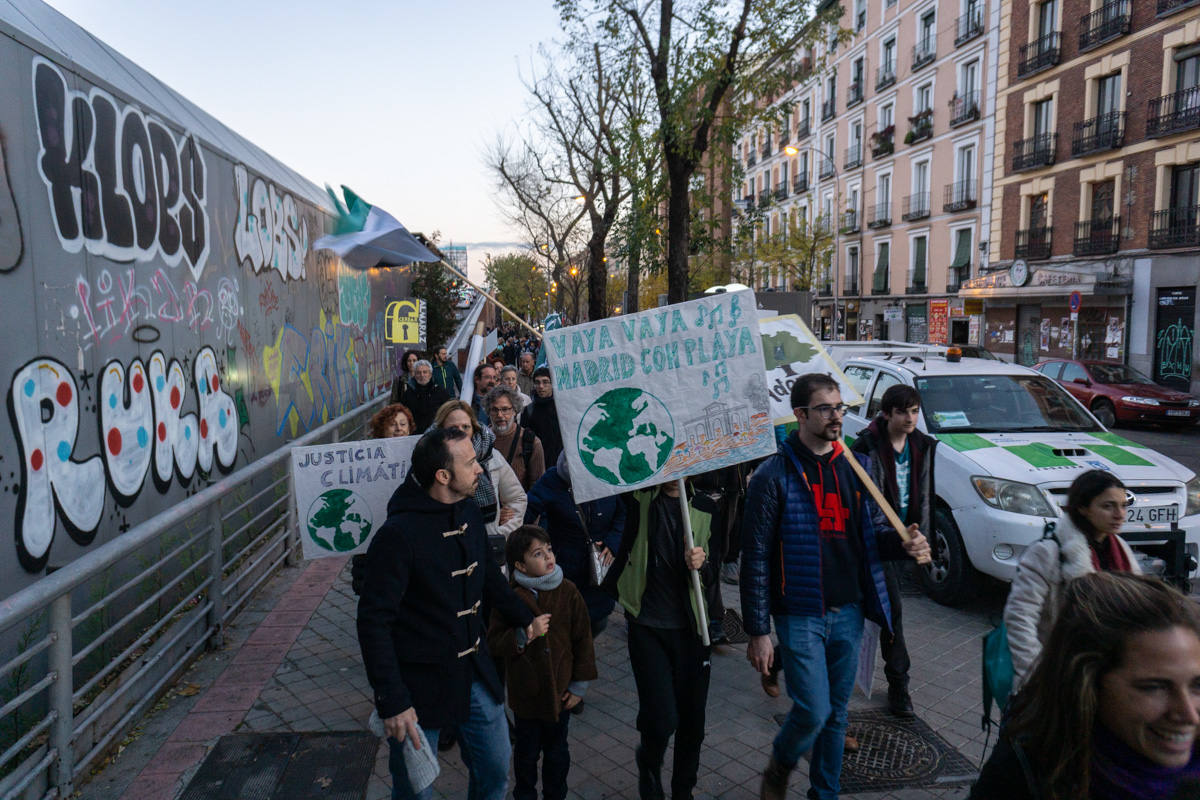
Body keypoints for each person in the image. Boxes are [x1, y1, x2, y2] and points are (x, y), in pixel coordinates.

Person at [741, 373, 930, 800]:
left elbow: (875, 533)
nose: (837, 416)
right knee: (813, 709)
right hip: (799, 611)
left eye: (840, 407)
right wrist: (758, 630)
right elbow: (755, 556)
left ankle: (824, 793)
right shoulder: (773, 475)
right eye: (825, 408)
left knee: (837, 716)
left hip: (849, 609)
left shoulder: (857, 467)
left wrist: (904, 543)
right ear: (800, 414)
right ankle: (781, 762)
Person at [356, 427, 536, 800]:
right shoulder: (397, 535)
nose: (480, 469)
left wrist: (522, 615)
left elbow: (488, 575)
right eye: (470, 463)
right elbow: (373, 622)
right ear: (442, 476)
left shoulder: (468, 510)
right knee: (415, 790)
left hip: (475, 671)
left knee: (495, 770)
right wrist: (392, 699)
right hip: (419, 686)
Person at [972, 571, 1200, 800]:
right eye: (1154, 687)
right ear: (1088, 685)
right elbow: (1020, 614)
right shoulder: (1022, 775)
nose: (1190, 715)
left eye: (1197, 685)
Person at [601, 481, 717, 800]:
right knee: (661, 717)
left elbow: (714, 575)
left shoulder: (706, 506)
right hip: (647, 626)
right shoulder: (638, 499)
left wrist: (702, 564)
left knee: (692, 722)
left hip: (693, 630)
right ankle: (649, 763)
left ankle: (683, 791)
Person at [487, 526, 597, 800]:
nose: (548, 556)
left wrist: (579, 686)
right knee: (526, 754)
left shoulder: (568, 590)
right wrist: (525, 634)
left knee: (557, 753)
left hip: (561, 693)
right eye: (538, 553)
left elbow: (583, 639)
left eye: (549, 549)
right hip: (527, 697)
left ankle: (555, 795)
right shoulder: (510, 597)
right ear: (520, 565)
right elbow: (495, 642)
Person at [1004, 469, 1141, 689]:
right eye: (1108, 506)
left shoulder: (1121, 550)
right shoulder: (1048, 552)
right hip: (1060, 674)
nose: (1120, 514)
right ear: (1083, 508)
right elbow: (1020, 618)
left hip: (1110, 673)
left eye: (1123, 506)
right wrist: (1037, 675)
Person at [849, 384, 937, 718]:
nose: (910, 418)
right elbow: (860, 507)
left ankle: (899, 685)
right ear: (887, 414)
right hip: (870, 544)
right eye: (902, 412)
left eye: (914, 411)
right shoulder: (865, 447)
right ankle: (899, 686)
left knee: (888, 614)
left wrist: (923, 542)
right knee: (879, 613)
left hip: (904, 541)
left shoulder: (922, 445)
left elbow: (924, 497)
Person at [526, 452, 625, 637]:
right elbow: (528, 509)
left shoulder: (611, 473)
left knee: (597, 622)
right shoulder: (553, 479)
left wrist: (613, 542)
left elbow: (623, 512)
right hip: (565, 568)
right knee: (563, 625)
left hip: (599, 569)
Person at [434, 400, 526, 546]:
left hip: (488, 547)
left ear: (474, 428)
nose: (460, 432)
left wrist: (500, 534)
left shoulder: (491, 456)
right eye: (453, 428)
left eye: (465, 427)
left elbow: (517, 498)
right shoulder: (429, 462)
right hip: (446, 545)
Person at [484, 386, 545, 491]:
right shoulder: (480, 440)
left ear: (515, 411)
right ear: (488, 412)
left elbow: (538, 487)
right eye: (494, 409)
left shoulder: (531, 442)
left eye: (505, 409)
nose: (500, 415)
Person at [521, 367, 564, 466]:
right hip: (538, 463)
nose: (541, 386)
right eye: (537, 382)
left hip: (561, 463)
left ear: (552, 384)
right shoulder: (529, 410)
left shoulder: (561, 408)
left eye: (545, 382)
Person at [394, 360, 451, 432]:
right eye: (418, 373)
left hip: (436, 434)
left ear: (430, 374)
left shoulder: (441, 392)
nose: (422, 375)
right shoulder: (408, 394)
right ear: (414, 375)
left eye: (425, 372)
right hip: (414, 434)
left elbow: (448, 412)